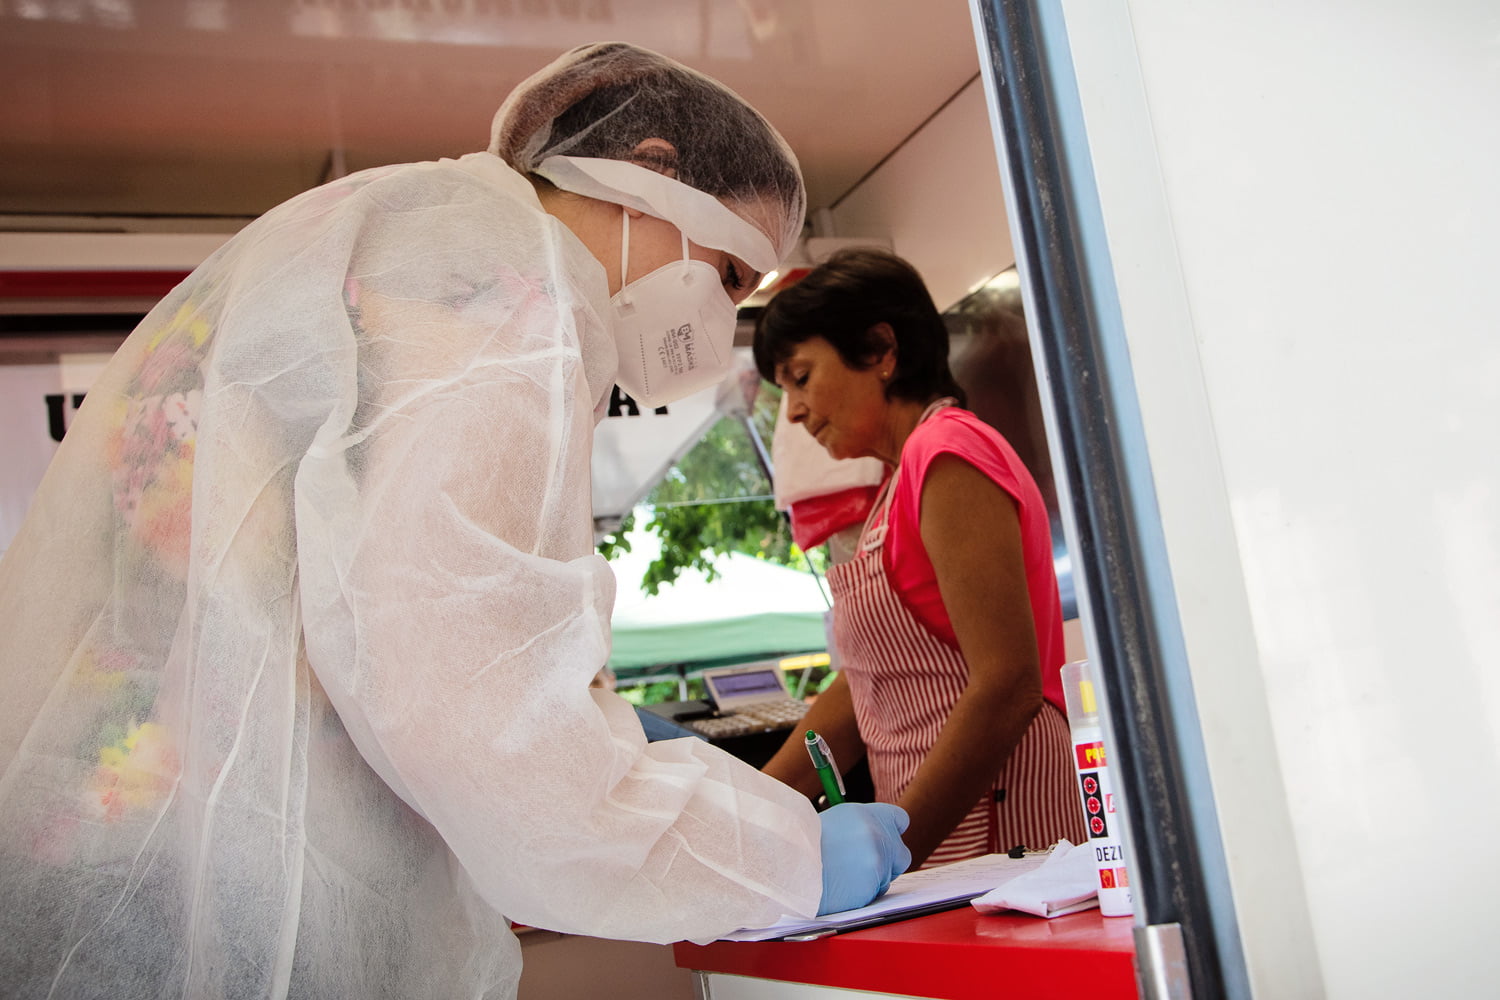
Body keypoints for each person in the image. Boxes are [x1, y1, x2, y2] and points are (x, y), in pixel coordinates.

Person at [0, 43, 909, 1000]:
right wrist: (781, 857)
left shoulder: (406, 236)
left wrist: (605, 729)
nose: (714, 316)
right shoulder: (516, 313)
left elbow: (382, 613)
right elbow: (483, 736)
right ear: (651, 171)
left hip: (137, 851)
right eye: (725, 273)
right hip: (252, 897)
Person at [755, 247, 1085, 869]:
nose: (793, 412)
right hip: (940, 826)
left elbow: (1007, 684)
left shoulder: (947, 451)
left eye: (800, 377)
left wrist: (893, 852)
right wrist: (752, 805)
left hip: (1000, 817)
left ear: (880, 349)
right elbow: (865, 689)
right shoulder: (897, 483)